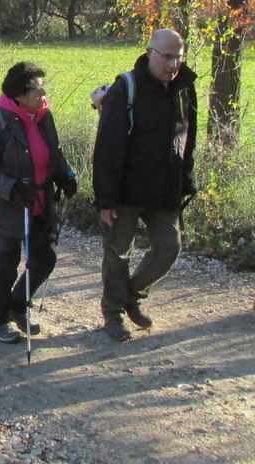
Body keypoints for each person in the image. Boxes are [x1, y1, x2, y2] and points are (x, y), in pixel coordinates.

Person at [93, 28, 197, 342]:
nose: (173, 63)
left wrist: (186, 181)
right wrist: (105, 199)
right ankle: (113, 315)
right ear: (150, 52)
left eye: (178, 56)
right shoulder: (127, 87)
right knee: (118, 254)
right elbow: (107, 147)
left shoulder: (184, 87)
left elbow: (187, 140)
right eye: (167, 56)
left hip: (165, 189)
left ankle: (132, 295)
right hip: (124, 192)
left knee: (169, 247)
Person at [0, 62, 76, 344]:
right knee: (6, 263)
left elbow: (53, 152)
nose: (42, 92)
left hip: (40, 203)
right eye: (36, 87)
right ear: (18, 94)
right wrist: (12, 188)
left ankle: (17, 304)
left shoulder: (43, 116)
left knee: (45, 258)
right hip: (7, 206)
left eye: (42, 86)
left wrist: (64, 174)